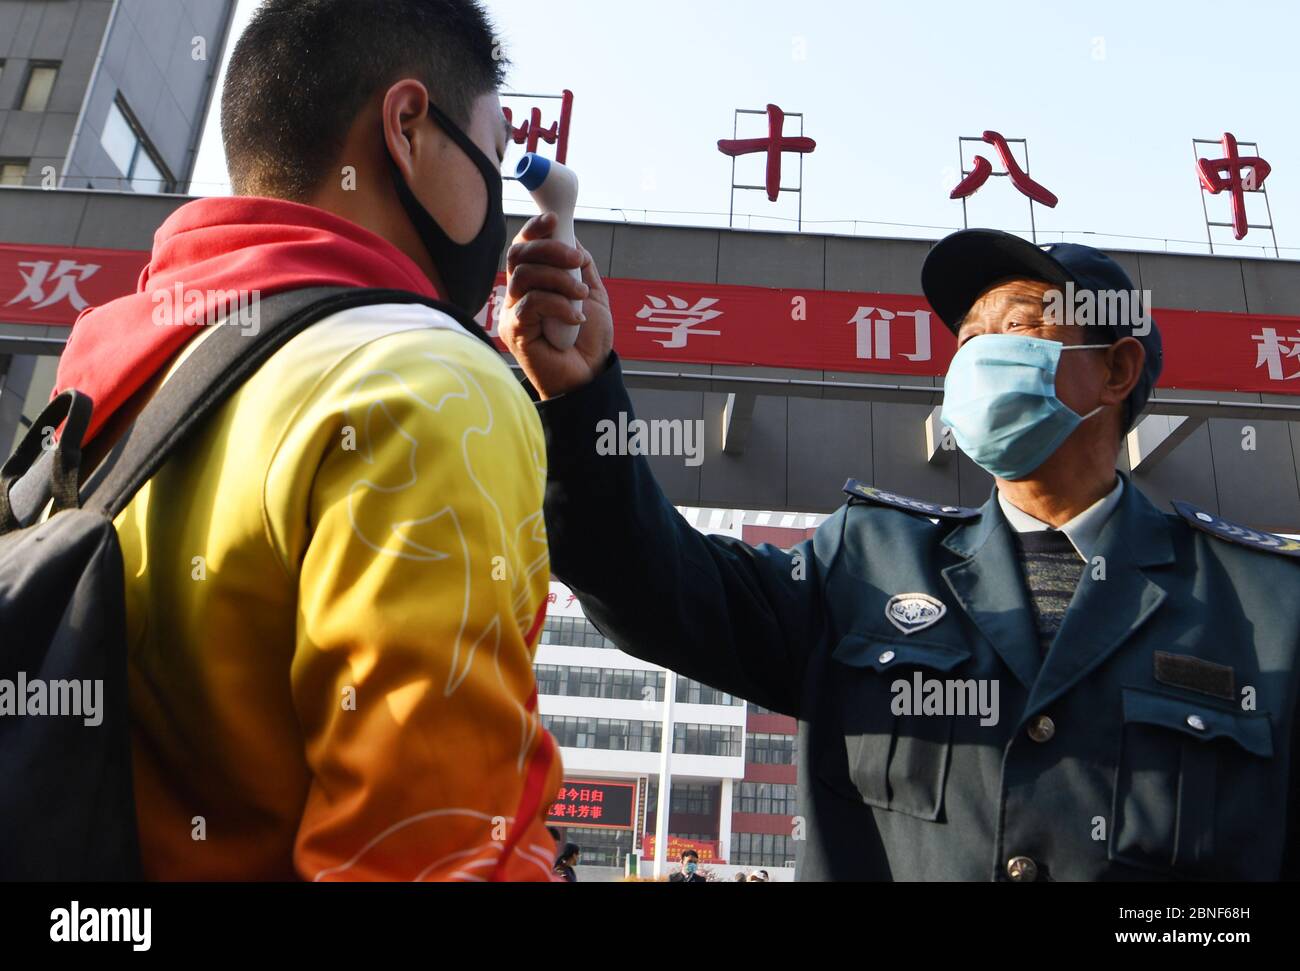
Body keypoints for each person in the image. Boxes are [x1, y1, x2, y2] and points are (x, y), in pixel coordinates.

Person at [501, 222, 1300, 881]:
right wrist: (578, 396)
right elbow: (656, 586)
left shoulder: (1262, 606)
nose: (981, 356)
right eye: (969, 338)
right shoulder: (867, 559)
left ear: (1118, 368)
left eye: (1018, 327)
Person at [52, 0, 564, 881]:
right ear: (408, 126)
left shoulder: (105, 373)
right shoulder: (425, 382)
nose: (498, 195)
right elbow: (431, 851)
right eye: (489, 146)